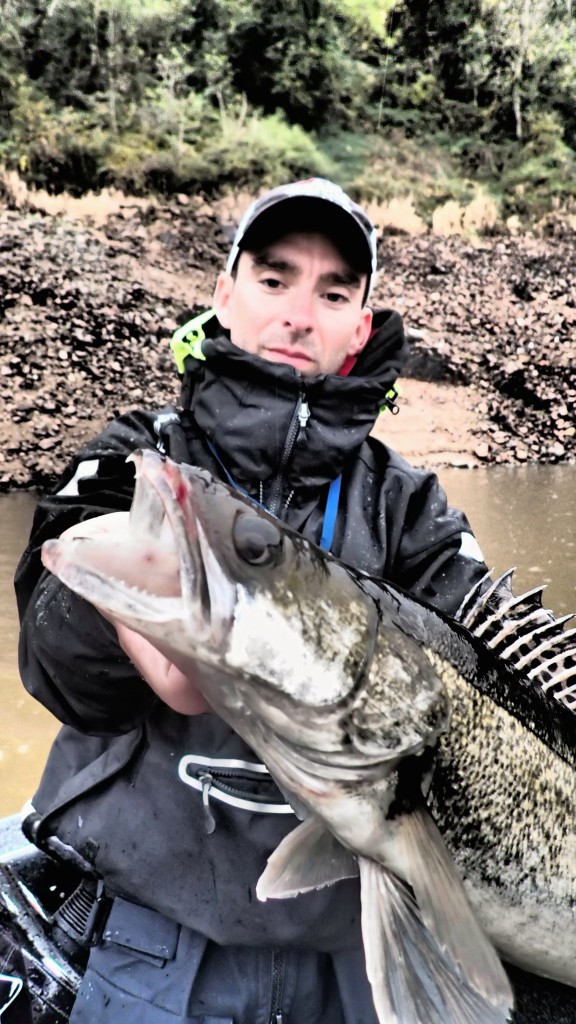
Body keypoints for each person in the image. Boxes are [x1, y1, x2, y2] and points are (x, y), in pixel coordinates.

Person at [15, 178, 490, 1024]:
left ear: (361, 329)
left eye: (333, 292)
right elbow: (57, 670)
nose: (299, 314)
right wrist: (118, 613)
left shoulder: (414, 510)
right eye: (274, 280)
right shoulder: (136, 461)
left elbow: (486, 694)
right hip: (153, 950)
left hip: (360, 958)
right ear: (224, 293)